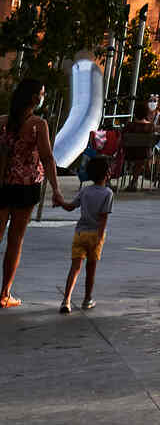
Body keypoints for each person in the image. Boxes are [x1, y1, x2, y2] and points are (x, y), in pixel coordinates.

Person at [1, 76, 75, 305]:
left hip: (2, 186)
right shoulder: (37, 125)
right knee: (15, 240)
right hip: (26, 188)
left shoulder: (3, 121)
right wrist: (56, 189)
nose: (43, 97)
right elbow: (47, 157)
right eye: (42, 94)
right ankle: (4, 294)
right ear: (34, 98)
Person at [61, 155, 113, 312]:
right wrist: (100, 237)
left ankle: (66, 300)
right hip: (95, 234)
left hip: (80, 233)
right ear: (107, 174)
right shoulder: (108, 193)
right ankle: (87, 299)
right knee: (91, 269)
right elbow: (103, 218)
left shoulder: (85, 191)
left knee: (75, 267)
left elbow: (70, 207)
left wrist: (60, 202)